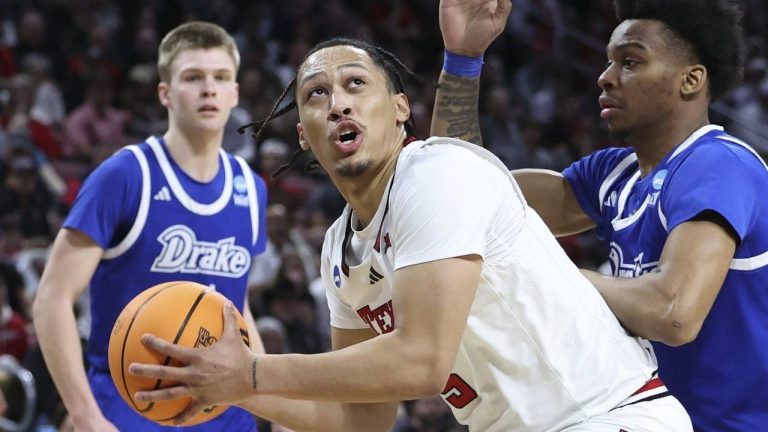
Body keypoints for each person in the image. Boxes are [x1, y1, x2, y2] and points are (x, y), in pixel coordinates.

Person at [128, 4, 692, 431]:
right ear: (303, 134)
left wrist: (249, 372)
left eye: (356, 84)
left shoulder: (437, 172)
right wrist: (225, 386)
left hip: (609, 416)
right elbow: (360, 419)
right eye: (316, 95)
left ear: (401, 110)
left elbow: (422, 361)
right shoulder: (336, 251)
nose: (338, 103)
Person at [431, 0, 766, 430]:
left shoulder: (719, 164)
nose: (605, 77)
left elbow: (674, 312)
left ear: (691, 80)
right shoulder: (613, 175)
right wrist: (462, 59)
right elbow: (459, 195)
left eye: (630, 62)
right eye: (609, 62)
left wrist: (562, 278)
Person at [32, 21, 267, 432]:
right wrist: (85, 414)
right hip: (130, 405)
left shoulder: (252, 187)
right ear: (165, 93)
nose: (208, 89)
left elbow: (237, 306)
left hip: (225, 412)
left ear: (234, 94)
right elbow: (52, 298)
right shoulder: (125, 175)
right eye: (193, 77)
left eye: (221, 78)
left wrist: (275, 407)